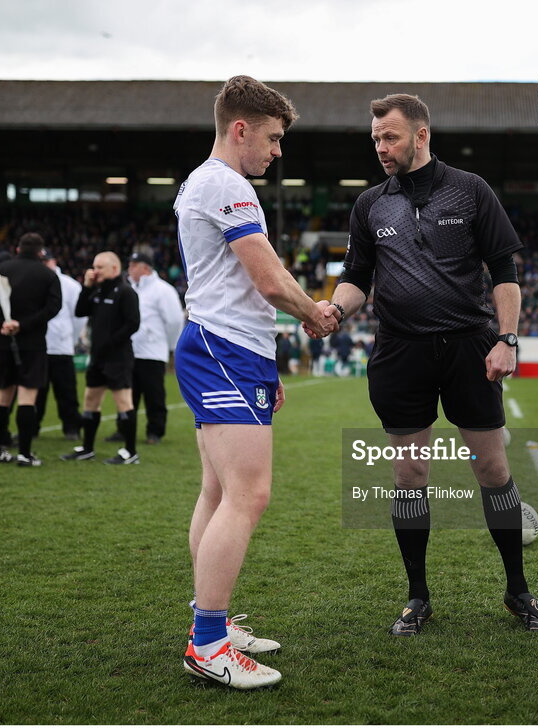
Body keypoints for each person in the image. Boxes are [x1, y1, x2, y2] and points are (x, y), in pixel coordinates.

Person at [318, 93, 538, 637]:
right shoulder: (370, 204)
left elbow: (503, 270)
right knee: (409, 473)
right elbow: (357, 277)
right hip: (401, 351)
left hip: (472, 346)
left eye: (391, 136)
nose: (381, 147)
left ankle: (518, 591)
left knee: (493, 470)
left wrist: (508, 339)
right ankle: (417, 597)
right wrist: (334, 307)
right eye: (375, 138)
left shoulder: (470, 190)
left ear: (421, 135)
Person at [173, 75, 337, 689]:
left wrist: (265, 367)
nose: (277, 151)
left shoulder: (203, 181)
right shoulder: (226, 183)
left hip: (229, 349)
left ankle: (207, 619)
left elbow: (237, 285)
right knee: (248, 494)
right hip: (224, 350)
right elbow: (267, 280)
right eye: (271, 138)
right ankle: (209, 641)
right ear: (239, 129)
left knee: (218, 490)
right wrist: (314, 313)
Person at [0, 233, 62, 466]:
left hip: (2, 342)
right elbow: (53, 307)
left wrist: (0, 323)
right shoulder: (47, 275)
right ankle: (24, 453)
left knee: (1, 396)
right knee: (27, 398)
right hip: (32, 345)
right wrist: (24, 325)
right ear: (41, 252)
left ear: (17, 248)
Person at [60, 251, 141, 465]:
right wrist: (87, 286)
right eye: (93, 267)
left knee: (123, 402)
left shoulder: (125, 292)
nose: (94, 271)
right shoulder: (95, 291)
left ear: (114, 269)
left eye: (99, 267)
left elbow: (133, 323)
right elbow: (79, 311)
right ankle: (87, 448)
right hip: (97, 358)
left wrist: (111, 343)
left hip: (118, 358)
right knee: (90, 400)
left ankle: (130, 451)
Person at [105, 252, 185, 445]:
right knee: (127, 393)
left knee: (153, 394)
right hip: (131, 350)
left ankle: (155, 432)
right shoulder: (129, 288)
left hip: (152, 351)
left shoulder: (162, 290)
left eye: (133, 266)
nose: (129, 269)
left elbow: (174, 321)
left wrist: (167, 345)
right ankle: (123, 430)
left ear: (145, 268)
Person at [35, 248, 86, 440]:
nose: (44, 265)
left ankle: (71, 428)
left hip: (62, 347)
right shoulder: (33, 282)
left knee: (66, 392)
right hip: (39, 347)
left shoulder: (70, 285)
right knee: (36, 392)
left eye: (46, 261)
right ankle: (32, 427)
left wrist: (69, 338)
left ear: (53, 261)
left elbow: (79, 316)